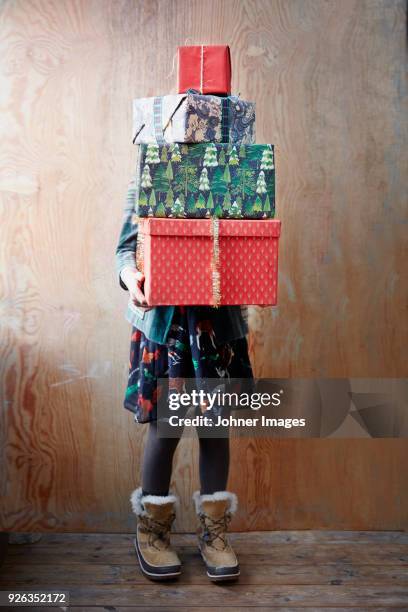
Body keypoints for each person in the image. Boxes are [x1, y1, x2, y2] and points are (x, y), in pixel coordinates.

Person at [115, 174, 254, 582]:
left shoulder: (236, 178)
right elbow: (125, 250)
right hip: (166, 323)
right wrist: (131, 279)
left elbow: (251, 244)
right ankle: (152, 532)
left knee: (214, 428)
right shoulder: (147, 178)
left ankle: (214, 534)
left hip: (217, 323)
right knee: (166, 426)